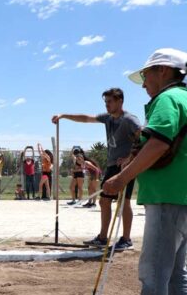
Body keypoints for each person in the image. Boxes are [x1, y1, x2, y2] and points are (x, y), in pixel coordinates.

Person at [102, 47, 187, 295]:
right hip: (181, 196)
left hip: (167, 197)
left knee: (153, 269)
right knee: (176, 270)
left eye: (147, 75)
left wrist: (122, 177)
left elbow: (159, 141)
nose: (143, 83)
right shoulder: (184, 99)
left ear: (163, 71)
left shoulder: (168, 99)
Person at [52, 87, 141, 250]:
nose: (107, 105)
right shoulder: (108, 118)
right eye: (105, 102)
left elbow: (142, 136)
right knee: (104, 201)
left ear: (120, 101)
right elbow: (86, 118)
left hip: (125, 166)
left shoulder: (129, 119)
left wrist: (129, 158)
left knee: (123, 201)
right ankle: (102, 237)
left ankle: (126, 238)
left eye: (110, 101)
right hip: (111, 165)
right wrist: (64, 116)